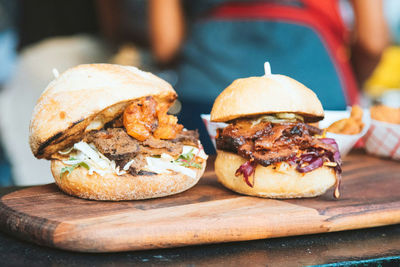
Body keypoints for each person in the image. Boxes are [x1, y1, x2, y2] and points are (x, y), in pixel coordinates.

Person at [149, 0, 390, 154]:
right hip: (318, 86)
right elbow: (372, 42)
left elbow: (166, 45)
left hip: (207, 90)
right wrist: (352, 80)